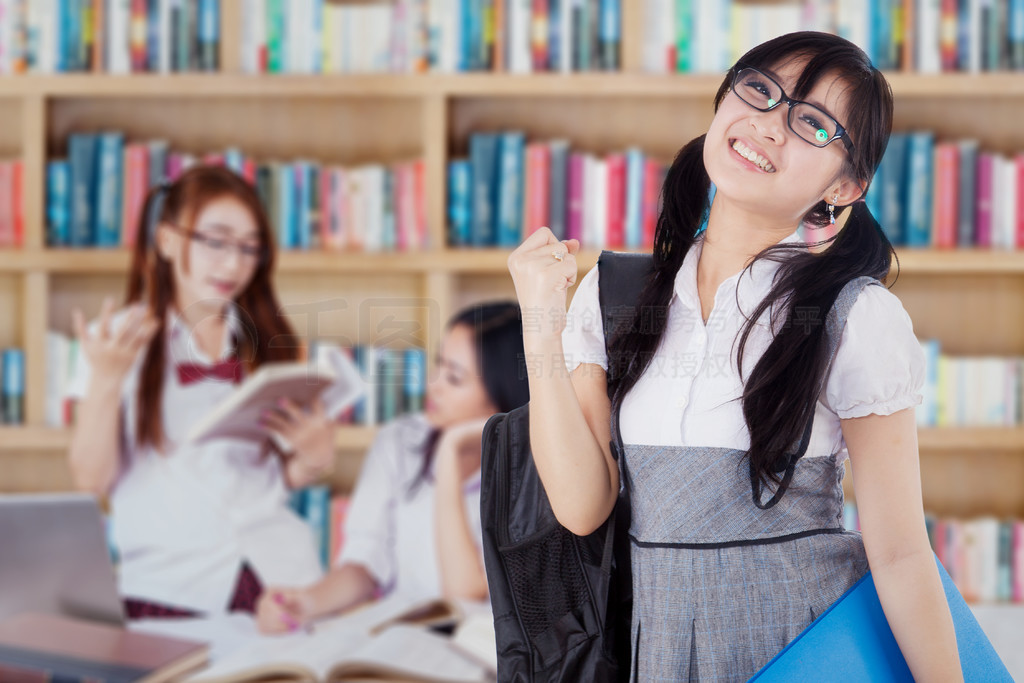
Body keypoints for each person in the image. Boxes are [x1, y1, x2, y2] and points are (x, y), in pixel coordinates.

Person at [507, 32, 963, 681]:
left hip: (803, 648)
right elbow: (583, 504)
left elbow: (899, 554)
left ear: (848, 184)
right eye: (760, 90)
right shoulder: (612, 299)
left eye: (811, 122)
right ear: (723, 102)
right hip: (662, 649)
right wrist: (539, 326)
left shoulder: (851, 315)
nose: (771, 124)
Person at [68, 165, 343, 618]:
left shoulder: (270, 342)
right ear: (167, 241)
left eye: (249, 248)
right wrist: (106, 380)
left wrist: (311, 458)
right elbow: (90, 480)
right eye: (215, 242)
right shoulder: (114, 339)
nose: (233, 264)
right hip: (173, 586)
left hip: (282, 576)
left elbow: (267, 478)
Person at [255, 302, 529, 634]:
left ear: (503, 398)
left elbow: (465, 595)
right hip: (405, 641)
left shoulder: (533, 473)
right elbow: (366, 562)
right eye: (438, 365)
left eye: (454, 378)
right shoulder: (400, 441)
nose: (433, 385)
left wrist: (449, 455)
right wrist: (308, 603)